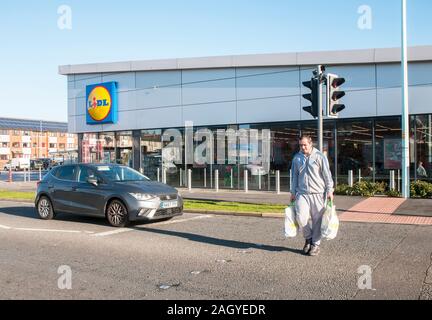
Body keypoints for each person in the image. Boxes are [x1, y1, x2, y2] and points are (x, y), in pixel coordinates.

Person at [290, 135, 334, 256]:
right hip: (302, 194)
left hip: (318, 194)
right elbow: (294, 177)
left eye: (305, 145)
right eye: (300, 145)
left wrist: (330, 190)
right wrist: (293, 192)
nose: (302, 147)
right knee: (301, 217)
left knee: (317, 221)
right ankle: (308, 238)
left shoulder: (320, 156)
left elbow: (327, 175)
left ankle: (315, 244)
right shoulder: (297, 158)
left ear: (311, 144)